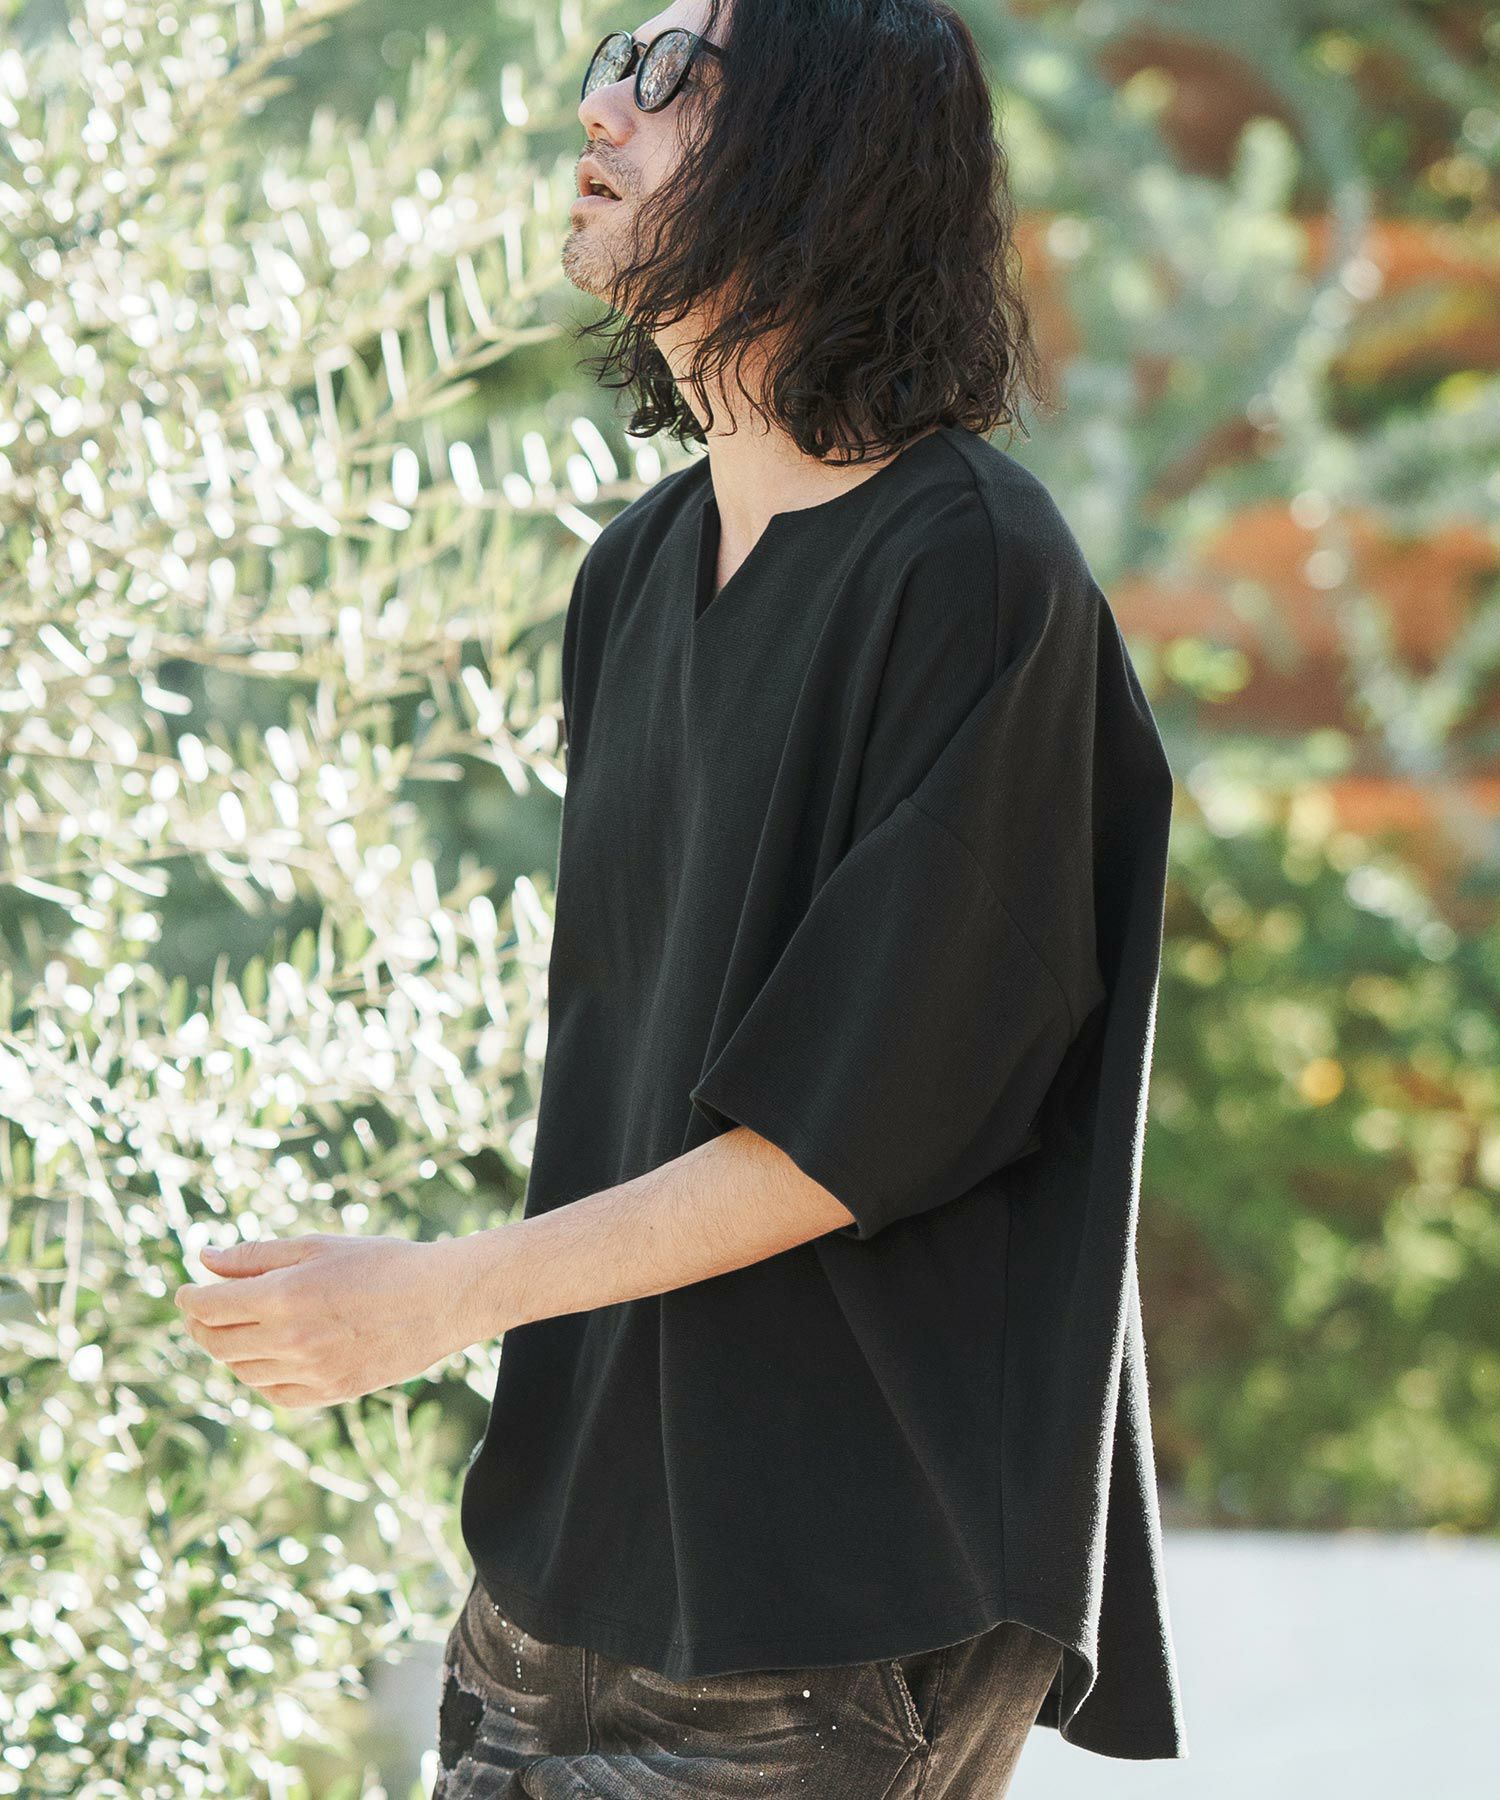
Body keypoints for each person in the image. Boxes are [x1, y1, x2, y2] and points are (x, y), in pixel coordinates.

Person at [175, 1, 1188, 1792]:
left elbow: (849, 1133)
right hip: (558, 1571)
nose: (603, 108)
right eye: (610, 59)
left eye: (674, 75)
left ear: (825, 150)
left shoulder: (975, 570)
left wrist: (431, 1298)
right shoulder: (637, 569)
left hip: (831, 1598)